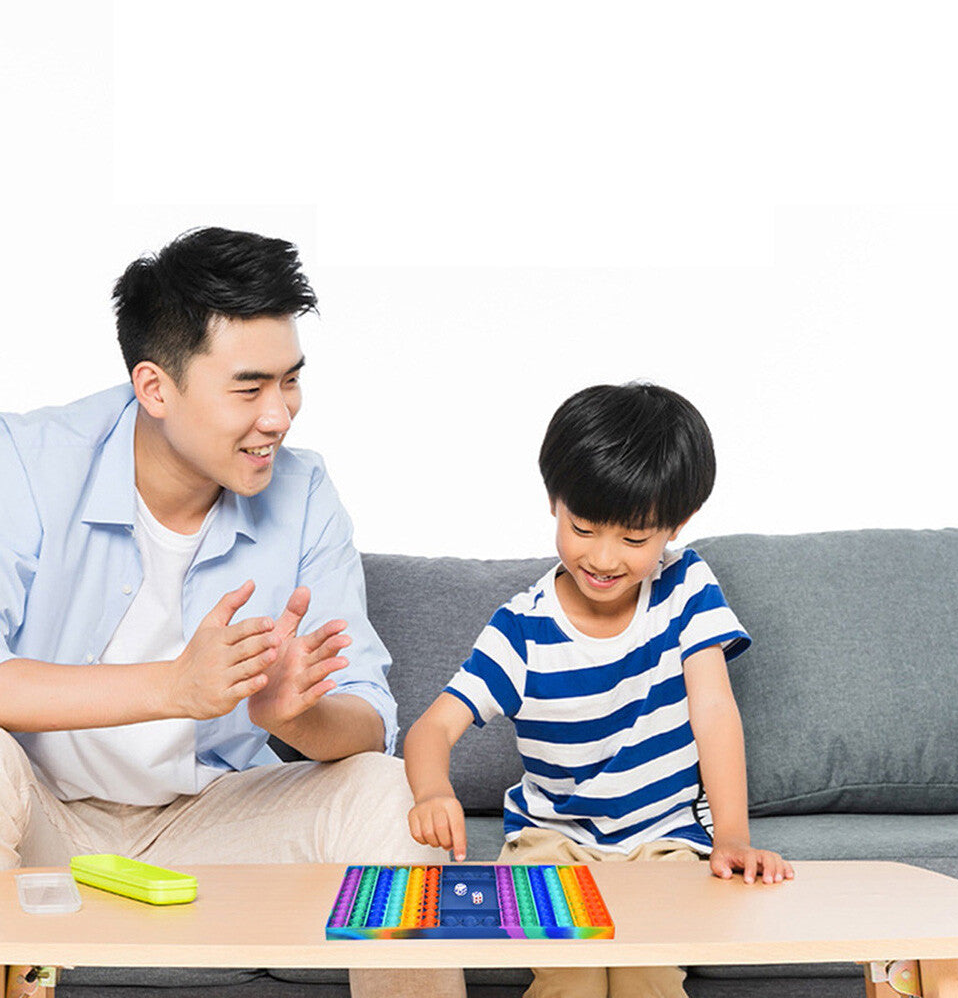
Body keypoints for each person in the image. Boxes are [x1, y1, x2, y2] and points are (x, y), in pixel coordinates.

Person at [0, 227, 465, 998]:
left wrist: (291, 718)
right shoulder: (27, 463)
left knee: (383, 790)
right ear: (155, 388)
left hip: (209, 820)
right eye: (249, 389)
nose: (280, 416)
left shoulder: (306, 492)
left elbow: (370, 719)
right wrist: (175, 688)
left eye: (290, 382)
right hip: (44, 817)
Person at [404, 382, 794, 998]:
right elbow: (432, 728)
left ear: (676, 525)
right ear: (554, 502)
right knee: (573, 976)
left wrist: (732, 836)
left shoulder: (686, 587)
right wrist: (430, 791)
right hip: (551, 843)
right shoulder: (522, 628)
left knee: (647, 976)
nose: (605, 558)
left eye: (635, 540)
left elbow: (714, 710)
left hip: (663, 840)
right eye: (583, 528)